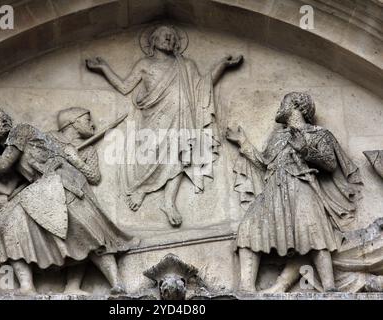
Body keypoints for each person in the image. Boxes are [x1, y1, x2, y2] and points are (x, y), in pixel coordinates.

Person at [87, 25, 243, 227]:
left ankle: (168, 202)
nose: (169, 39)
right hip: (154, 119)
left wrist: (222, 65)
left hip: (182, 119)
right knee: (149, 155)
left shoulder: (186, 65)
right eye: (164, 36)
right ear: (153, 41)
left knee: (179, 156)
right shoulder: (145, 64)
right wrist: (104, 69)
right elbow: (124, 87)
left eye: (172, 37)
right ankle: (143, 187)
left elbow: (202, 86)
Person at [0, 107, 138, 295]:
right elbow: (11, 188)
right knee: (11, 227)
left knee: (88, 231)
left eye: (0, 117)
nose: (0, 121)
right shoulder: (12, 146)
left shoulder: (21, 131)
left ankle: (117, 284)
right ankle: (28, 287)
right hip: (43, 191)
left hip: (62, 182)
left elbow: (2, 164)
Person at [226, 92, 362, 292]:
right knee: (249, 228)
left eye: (284, 102)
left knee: (313, 232)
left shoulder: (319, 134)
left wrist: (305, 148)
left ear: (297, 105)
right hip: (274, 191)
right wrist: (243, 143)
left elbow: (330, 164)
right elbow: (265, 163)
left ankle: (330, 288)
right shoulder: (277, 137)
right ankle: (246, 288)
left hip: (302, 188)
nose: (280, 107)